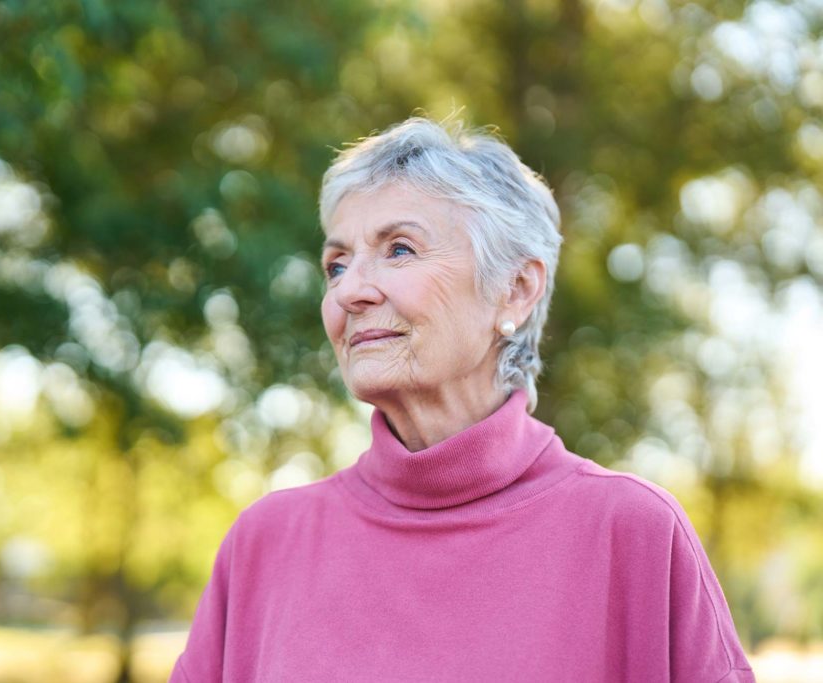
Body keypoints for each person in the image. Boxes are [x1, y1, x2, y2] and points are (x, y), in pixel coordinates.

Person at [170, 117, 755, 682]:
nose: (349, 290)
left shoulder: (635, 533)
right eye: (336, 264)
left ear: (516, 290)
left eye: (399, 250)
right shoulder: (265, 544)